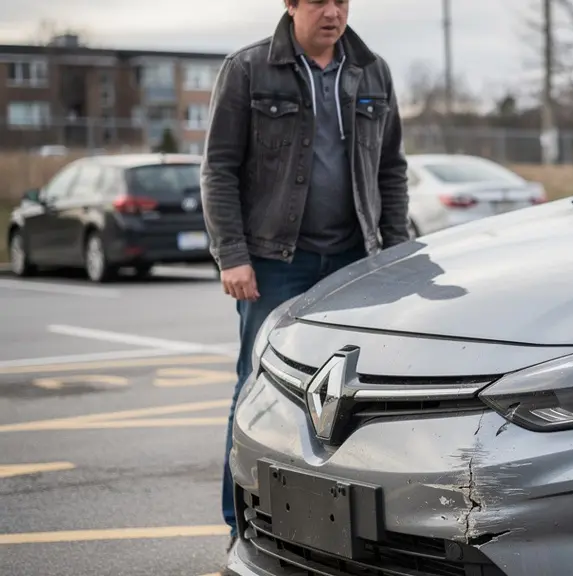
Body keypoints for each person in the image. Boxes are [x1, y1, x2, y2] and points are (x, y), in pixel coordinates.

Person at [199, 0, 409, 546]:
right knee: (259, 390)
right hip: (275, 263)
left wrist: (398, 254)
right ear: (291, 5)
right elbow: (218, 168)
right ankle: (240, 527)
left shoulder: (372, 71)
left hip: (355, 262)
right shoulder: (248, 70)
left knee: (352, 397)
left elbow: (391, 169)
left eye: (341, 1)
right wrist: (233, 255)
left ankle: (341, 534)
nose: (333, 12)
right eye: (319, 1)